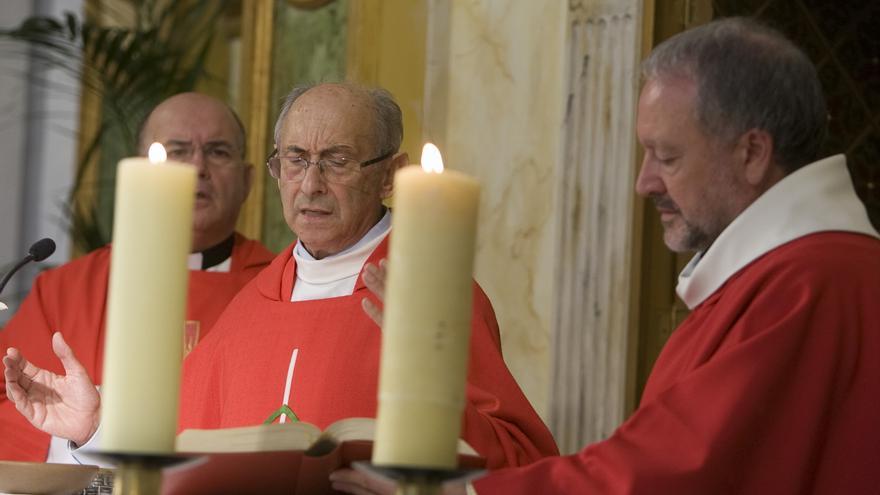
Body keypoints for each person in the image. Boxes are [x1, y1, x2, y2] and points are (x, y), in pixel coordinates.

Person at [333, 17, 880, 495]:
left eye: (667, 156)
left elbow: (665, 476)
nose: (644, 182)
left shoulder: (807, 285)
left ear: (752, 153)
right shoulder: (798, 274)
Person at [4, 83, 559, 471]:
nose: (310, 184)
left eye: (336, 160)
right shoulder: (256, 301)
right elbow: (174, 443)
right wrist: (94, 424)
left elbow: (521, 464)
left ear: (390, 174)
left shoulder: (433, 296)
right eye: (295, 159)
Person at [0, 92, 275, 462]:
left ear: (247, 181)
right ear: (136, 172)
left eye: (219, 151)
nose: (198, 166)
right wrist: (85, 438)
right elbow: (11, 398)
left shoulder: (281, 289)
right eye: (177, 151)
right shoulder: (66, 291)